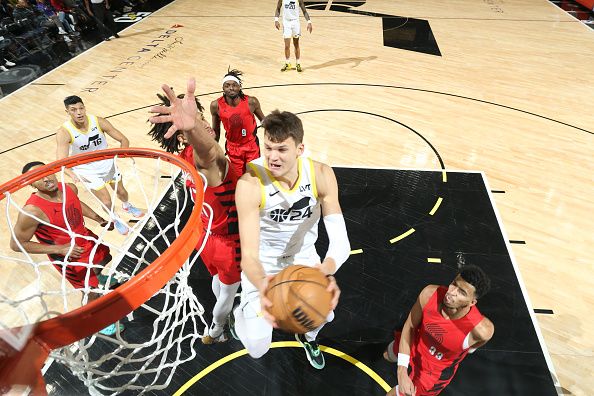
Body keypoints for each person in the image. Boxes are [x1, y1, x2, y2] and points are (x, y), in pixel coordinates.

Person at [232, 109, 351, 369]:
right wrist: (265, 286)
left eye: (282, 150)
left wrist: (325, 271)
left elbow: (342, 242)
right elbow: (249, 256)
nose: (273, 157)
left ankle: (308, 338)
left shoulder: (321, 174)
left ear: (300, 148)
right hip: (264, 266)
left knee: (324, 314)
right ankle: (238, 312)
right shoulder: (250, 185)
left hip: (304, 258)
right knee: (256, 348)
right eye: (268, 148)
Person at [148, 79, 241, 345]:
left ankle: (219, 315)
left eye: (200, 118)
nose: (206, 125)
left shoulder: (186, 158)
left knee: (218, 282)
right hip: (228, 241)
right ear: (183, 134)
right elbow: (210, 154)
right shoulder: (203, 156)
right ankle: (217, 329)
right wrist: (193, 129)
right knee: (228, 293)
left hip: (205, 234)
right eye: (197, 122)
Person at [9, 161, 123, 335]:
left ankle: (98, 276)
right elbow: (17, 244)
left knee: (105, 259)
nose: (46, 178)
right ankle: (96, 319)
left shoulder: (69, 188)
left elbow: (75, 203)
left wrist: (98, 218)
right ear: (31, 184)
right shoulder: (32, 211)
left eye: (46, 172)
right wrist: (60, 249)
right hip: (68, 256)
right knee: (89, 291)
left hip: (85, 239)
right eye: (38, 177)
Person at [383, 265, 495, 396]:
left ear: (472, 302)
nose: (451, 292)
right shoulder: (430, 294)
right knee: (387, 355)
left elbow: (475, 344)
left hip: (432, 372)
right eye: (454, 284)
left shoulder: (480, 330)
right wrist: (402, 370)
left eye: (461, 292)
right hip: (415, 340)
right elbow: (410, 326)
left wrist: (466, 347)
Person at [56, 95, 144, 235]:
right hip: (87, 170)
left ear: (85, 108)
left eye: (81, 108)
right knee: (107, 201)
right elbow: (61, 163)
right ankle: (115, 218)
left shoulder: (98, 121)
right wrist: (72, 175)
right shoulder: (64, 132)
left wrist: (123, 154)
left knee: (122, 193)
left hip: (107, 164)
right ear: (67, 112)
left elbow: (123, 139)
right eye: (73, 110)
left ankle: (127, 206)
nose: (79, 112)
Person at [210, 68, 265, 177]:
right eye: (227, 85)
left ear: (239, 87)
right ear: (223, 88)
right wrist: (212, 148)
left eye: (234, 85)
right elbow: (216, 129)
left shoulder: (251, 102)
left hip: (251, 145)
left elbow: (264, 120)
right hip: (233, 147)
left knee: (254, 176)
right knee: (239, 179)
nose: (231, 88)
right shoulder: (215, 105)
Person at [274, 0, 312, 72]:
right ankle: (287, 63)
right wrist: (276, 20)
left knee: (296, 44)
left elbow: (304, 10)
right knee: (287, 45)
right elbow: (278, 8)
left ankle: (298, 63)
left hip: (295, 22)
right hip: (286, 22)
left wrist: (309, 22)